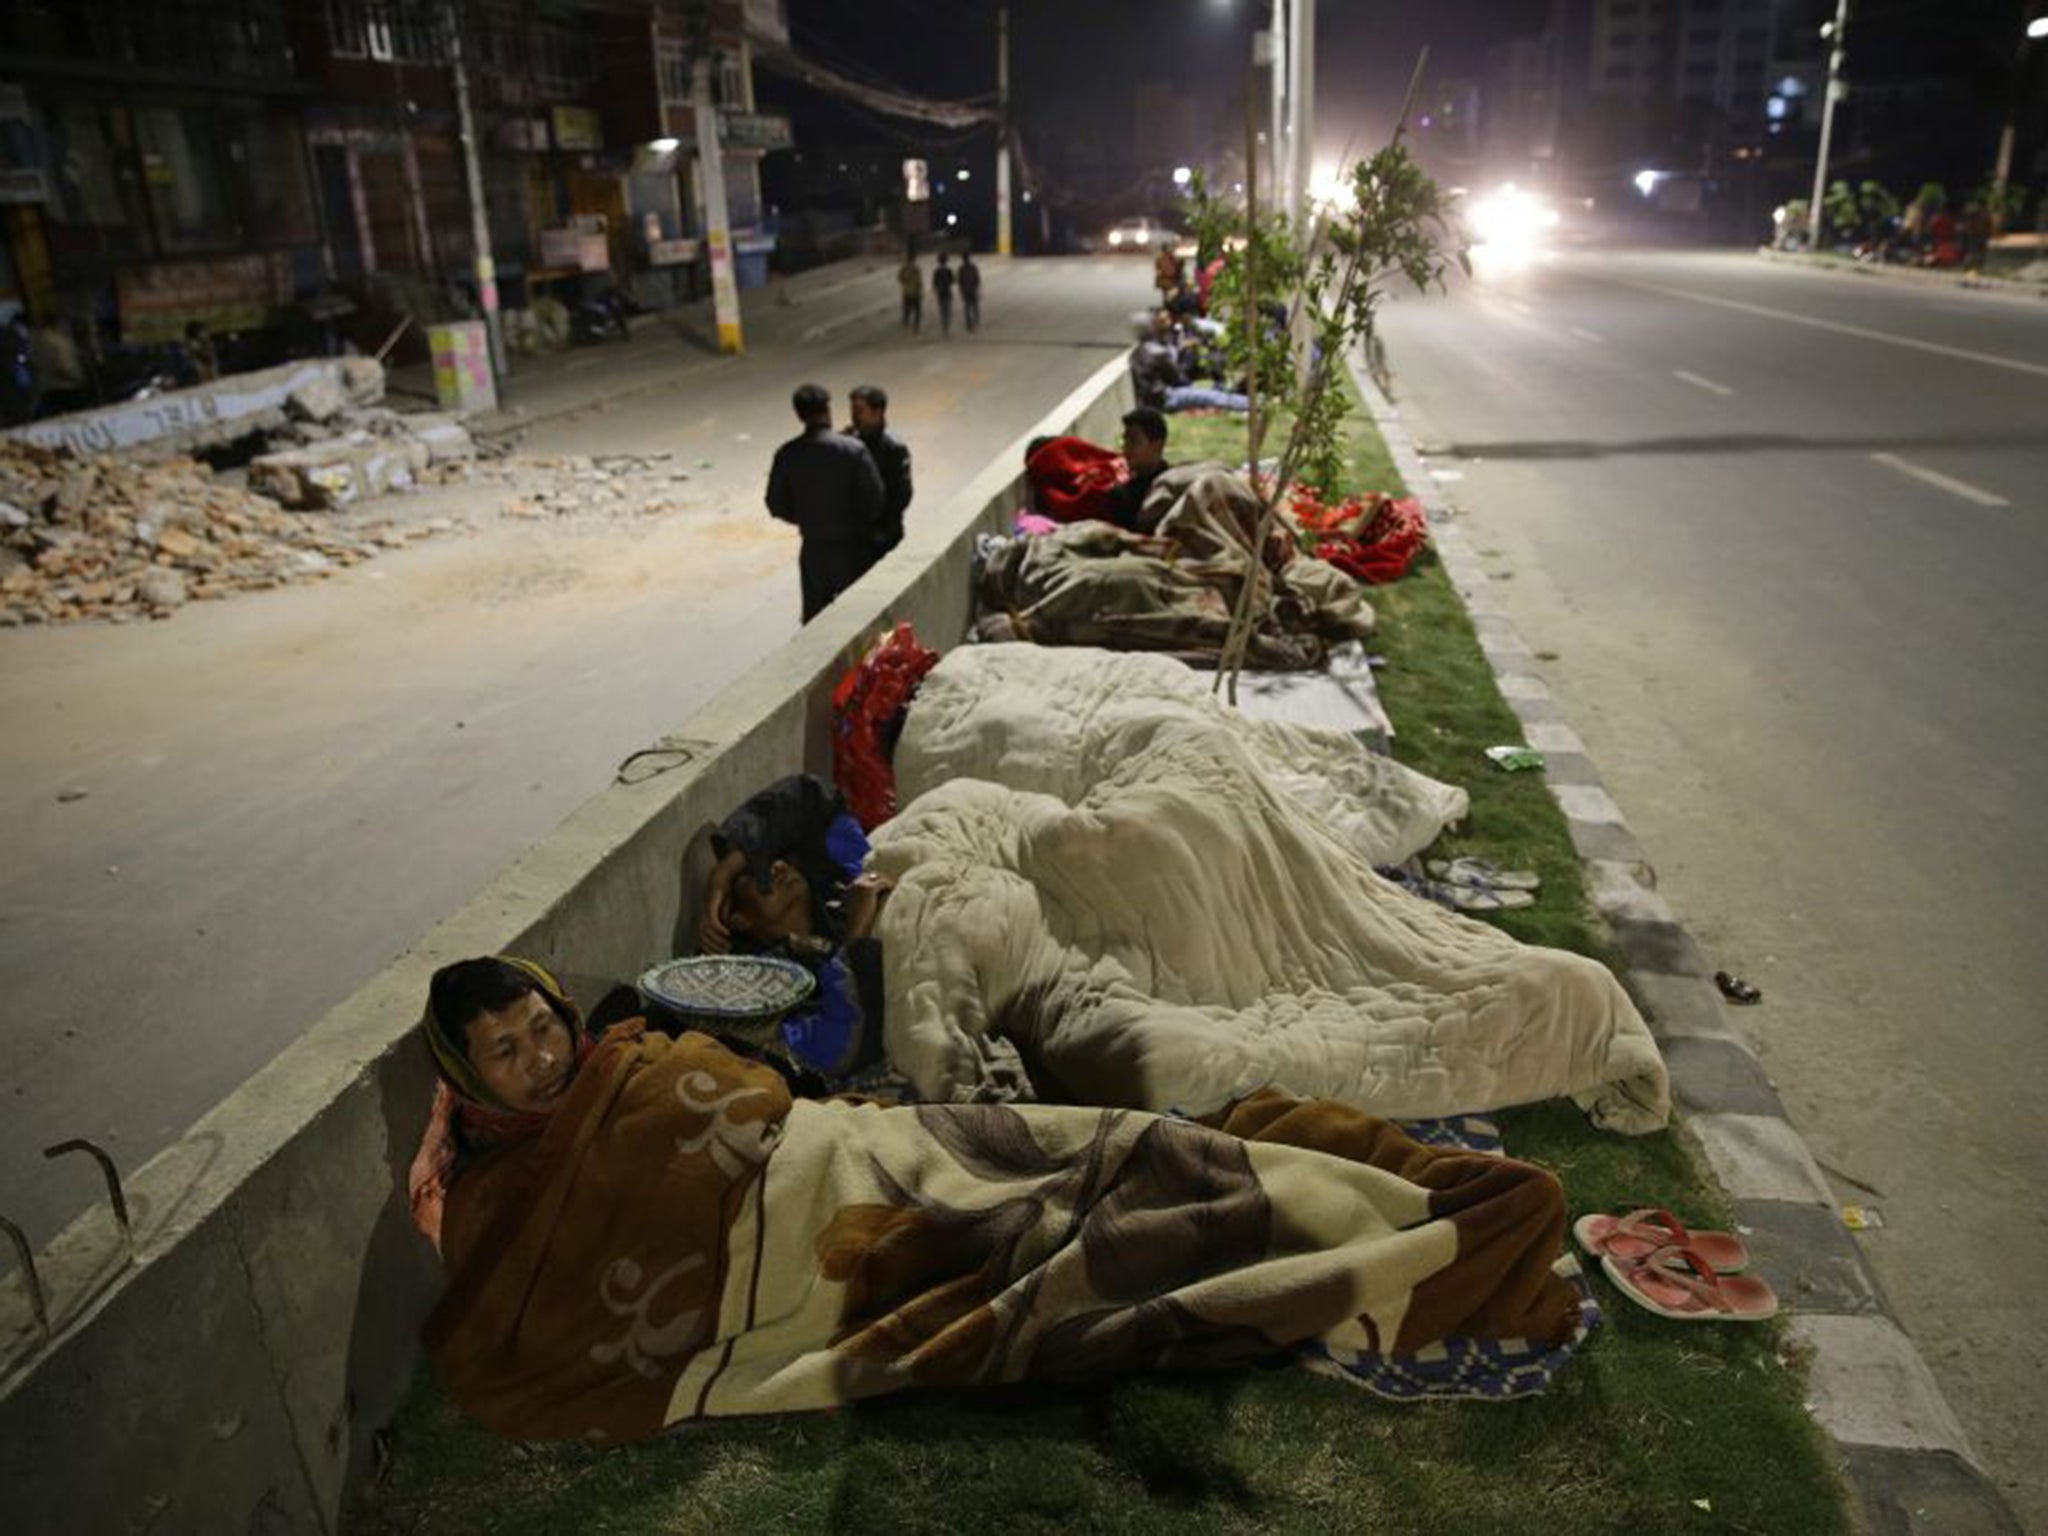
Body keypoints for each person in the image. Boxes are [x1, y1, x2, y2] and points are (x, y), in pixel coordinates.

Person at [766, 382, 888, 622]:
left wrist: (806, 517)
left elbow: (775, 503)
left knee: (816, 623)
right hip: (851, 547)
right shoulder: (853, 450)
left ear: (799, 414)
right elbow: (875, 500)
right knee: (857, 619)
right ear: (827, 409)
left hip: (813, 548)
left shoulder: (788, 454)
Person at [847, 383, 912, 554]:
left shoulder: (893, 448)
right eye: (853, 411)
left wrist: (882, 527)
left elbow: (902, 494)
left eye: (860, 411)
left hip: (882, 534)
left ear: (877, 412)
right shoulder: (849, 443)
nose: (854, 416)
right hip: (855, 534)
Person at [1106, 405, 1171, 531]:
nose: (1126, 448)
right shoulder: (1121, 495)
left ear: (1157, 445)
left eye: (1134, 441)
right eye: (1125, 441)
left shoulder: (1174, 487)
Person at [931, 253, 956, 337]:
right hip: (948, 292)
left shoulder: (936, 271)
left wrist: (936, 289)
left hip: (941, 293)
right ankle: (947, 327)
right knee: (948, 311)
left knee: (942, 311)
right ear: (946, 261)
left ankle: (944, 327)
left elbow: (934, 283)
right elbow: (953, 281)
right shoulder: (949, 271)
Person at [897, 253, 923, 332]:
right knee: (917, 310)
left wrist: (905, 282)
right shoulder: (916, 269)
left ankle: (906, 321)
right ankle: (916, 325)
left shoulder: (904, 268)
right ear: (914, 260)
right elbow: (919, 281)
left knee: (907, 308)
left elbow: (900, 278)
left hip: (907, 291)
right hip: (915, 292)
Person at [958, 252, 982, 332]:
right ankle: (976, 322)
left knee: (967, 308)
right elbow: (977, 279)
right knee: (975, 307)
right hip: (973, 290)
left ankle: (969, 324)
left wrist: (961, 290)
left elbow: (960, 281)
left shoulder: (961, 269)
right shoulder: (973, 267)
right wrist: (977, 288)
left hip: (966, 290)